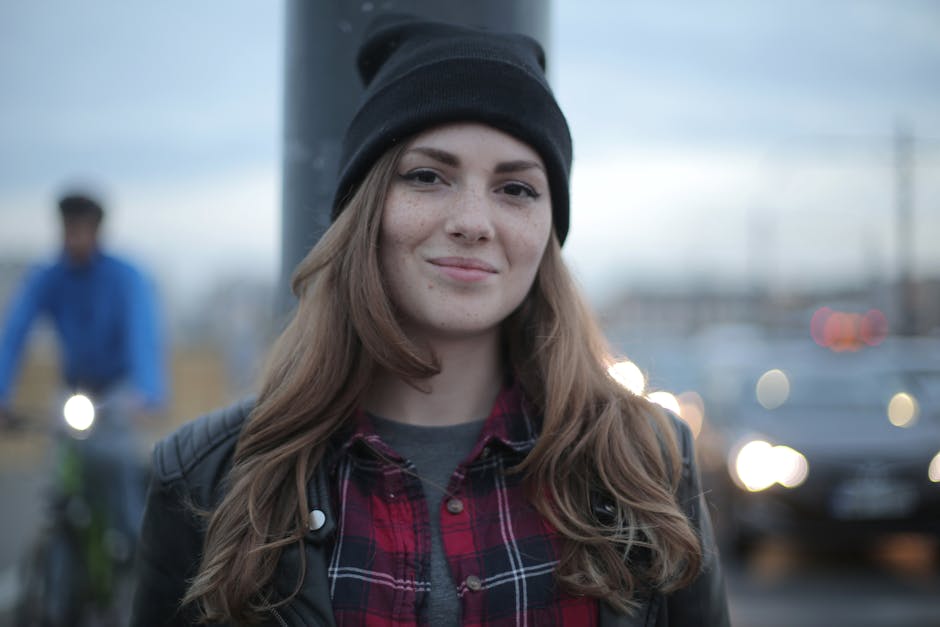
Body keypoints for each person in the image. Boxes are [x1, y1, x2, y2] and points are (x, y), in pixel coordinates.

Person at [132, 13, 729, 626]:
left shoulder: (647, 461)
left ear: (549, 230)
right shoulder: (208, 477)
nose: (473, 220)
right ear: (366, 212)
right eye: (427, 176)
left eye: (516, 189)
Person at [0, 191, 166, 536]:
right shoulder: (47, 277)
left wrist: (148, 393)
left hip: (117, 391)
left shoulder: (124, 277)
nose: (74, 237)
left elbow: (143, 334)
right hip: (73, 390)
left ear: (97, 231)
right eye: (68, 228)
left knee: (120, 469)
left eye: (81, 228)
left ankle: (132, 558)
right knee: (60, 472)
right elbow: (16, 333)